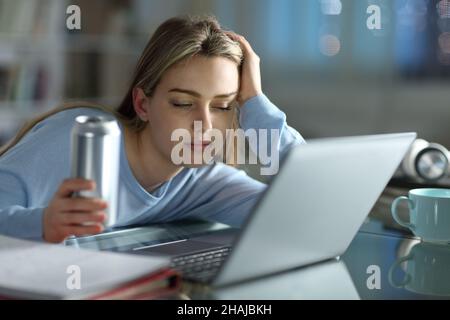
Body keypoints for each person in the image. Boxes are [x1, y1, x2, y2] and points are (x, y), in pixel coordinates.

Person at [0, 15, 305, 243]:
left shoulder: (200, 178)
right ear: (143, 105)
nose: (205, 126)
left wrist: (255, 102)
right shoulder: (79, 138)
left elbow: (304, 211)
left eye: (222, 106)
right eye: (183, 103)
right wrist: (41, 223)